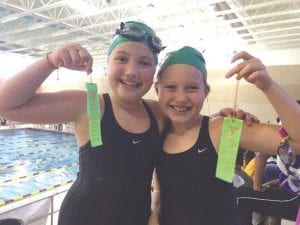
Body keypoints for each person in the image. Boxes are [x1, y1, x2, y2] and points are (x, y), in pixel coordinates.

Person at [0, 22, 256, 225]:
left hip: (136, 218)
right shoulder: (90, 105)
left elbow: (193, 122)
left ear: (153, 74)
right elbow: (6, 105)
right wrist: (50, 61)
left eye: (144, 63)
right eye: (121, 59)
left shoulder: (158, 112)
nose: (132, 71)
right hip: (82, 218)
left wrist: (225, 119)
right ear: (107, 65)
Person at [153, 46, 300, 225]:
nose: (181, 97)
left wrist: (268, 85)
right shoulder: (156, 131)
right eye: (170, 87)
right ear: (156, 89)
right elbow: (160, 191)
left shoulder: (222, 130)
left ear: (205, 92)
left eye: (192, 88)